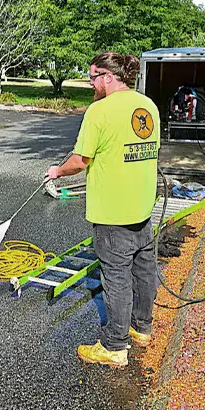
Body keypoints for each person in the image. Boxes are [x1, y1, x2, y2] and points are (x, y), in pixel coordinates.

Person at [46, 52, 160, 368]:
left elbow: (80, 160)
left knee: (117, 277)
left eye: (93, 76)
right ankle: (142, 328)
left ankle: (114, 346)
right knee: (144, 269)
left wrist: (57, 171)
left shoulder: (100, 111)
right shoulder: (147, 106)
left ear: (108, 76)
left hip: (113, 211)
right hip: (142, 207)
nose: (91, 83)